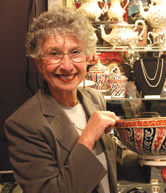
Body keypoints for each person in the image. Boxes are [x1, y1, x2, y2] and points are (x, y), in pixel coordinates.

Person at [4, 7, 118, 193]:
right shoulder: (23, 124)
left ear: (88, 58)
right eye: (54, 54)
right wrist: (88, 137)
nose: (66, 66)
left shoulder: (95, 99)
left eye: (75, 52)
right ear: (38, 63)